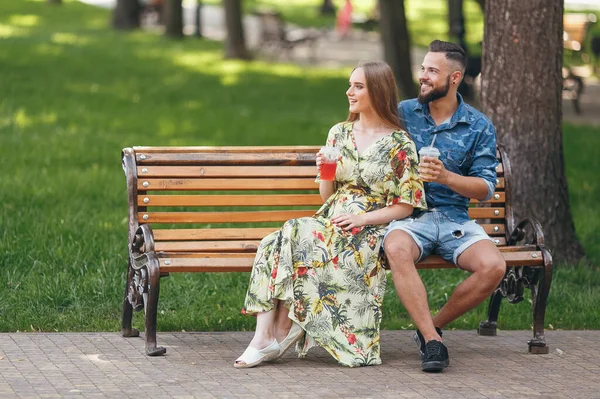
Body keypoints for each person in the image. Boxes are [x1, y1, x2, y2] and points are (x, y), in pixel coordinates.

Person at [234, 61, 427, 368]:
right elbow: (327, 195)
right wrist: (326, 170)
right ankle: (264, 337)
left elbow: (406, 205)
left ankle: (280, 333)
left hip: (368, 229)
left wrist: (361, 219)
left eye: (358, 86)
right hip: (330, 220)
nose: (349, 92)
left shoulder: (400, 143)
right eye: (350, 85)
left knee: (292, 230)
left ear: (378, 90)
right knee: (273, 242)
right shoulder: (339, 133)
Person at [384, 40, 507, 373]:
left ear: (454, 78)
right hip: (410, 216)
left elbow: (484, 188)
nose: (423, 76)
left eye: (432, 71)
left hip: (455, 219)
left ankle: (430, 329)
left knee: (494, 267)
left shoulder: (478, 125)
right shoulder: (403, 113)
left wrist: (448, 177)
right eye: (423, 68)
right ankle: (433, 342)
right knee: (395, 247)